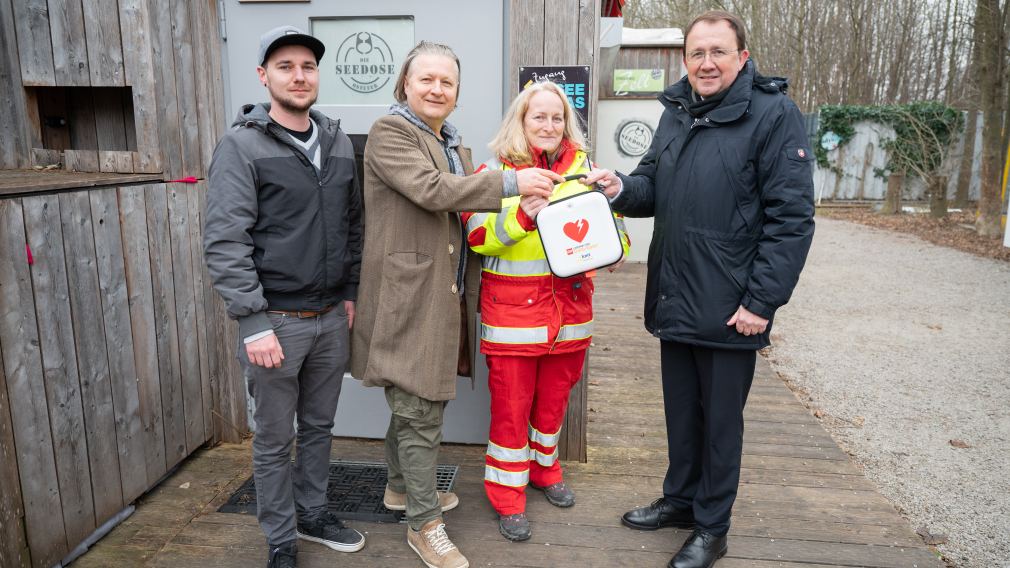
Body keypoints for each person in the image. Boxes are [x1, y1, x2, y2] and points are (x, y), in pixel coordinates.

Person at [582, 10, 815, 568]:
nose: (706, 63)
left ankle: (713, 526)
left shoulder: (774, 115)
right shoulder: (676, 111)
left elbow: (793, 219)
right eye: (696, 53)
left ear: (742, 57)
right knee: (683, 411)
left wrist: (762, 301)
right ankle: (681, 500)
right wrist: (619, 187)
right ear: (684, 60)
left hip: (732, 303)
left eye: (718, 52)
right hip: (676, 294)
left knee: (720, 424)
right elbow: (651, 187)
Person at [349, 42, 561, 568]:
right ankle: (424, 524)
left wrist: (531, 207)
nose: (437, 89)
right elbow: (431, 190)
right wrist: (514, 181)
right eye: (427, 79)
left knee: (415, 404)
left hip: (442, 298)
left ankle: (400, 490)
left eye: (447, 82)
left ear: (457, 93)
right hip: (408, 296)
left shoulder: (451, 144)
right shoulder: (391, 132)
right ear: (405, 84)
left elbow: (467, 215)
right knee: (419, 410)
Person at [204, 25, 365, 568]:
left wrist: (349, 292)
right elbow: (226, 241)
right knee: (274, 441)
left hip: (328, 318)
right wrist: (252, 321)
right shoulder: (242, 145)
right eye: (285, 66)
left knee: (319, 427)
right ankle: (280, 539)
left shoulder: (338, 140)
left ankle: (314, 511)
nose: (299, 76)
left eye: (308, 66)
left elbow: (352, 223)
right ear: (263, 76)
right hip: (275, 320)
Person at [461, 81, 630, 542]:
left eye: (557, 117)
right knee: (511, 413)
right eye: (539, 116)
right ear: (521, 120)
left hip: (570, 316)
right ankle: (506, 496)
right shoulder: (494, 169)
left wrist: (616, 249)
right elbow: (477, 236)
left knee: (553, 405)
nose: (549, 125)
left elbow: (616, 232)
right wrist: (521, 217)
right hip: (513, 317)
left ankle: (545, 470)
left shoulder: (587, 169)